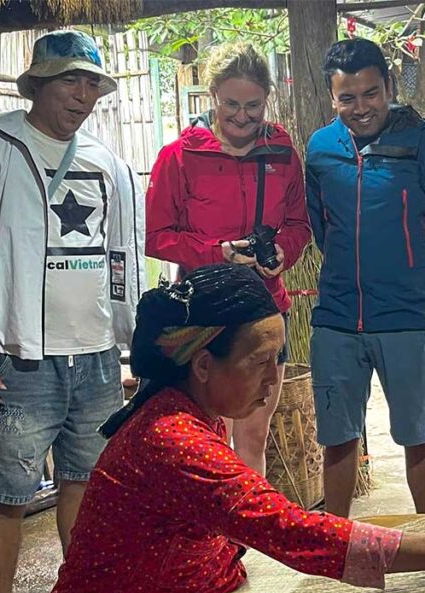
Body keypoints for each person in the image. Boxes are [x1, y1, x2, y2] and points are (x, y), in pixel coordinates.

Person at [41, 264, 425, 593]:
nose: (274, 377)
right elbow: (296, 532)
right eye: (259, 361)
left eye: (277, 358)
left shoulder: (188, 408)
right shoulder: (173, 441)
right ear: (202, 365)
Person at [0, 29, 145, 593]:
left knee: (86, 488)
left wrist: (134, 343)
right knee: (4, 495)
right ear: (37, 85)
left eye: (91, 83)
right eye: (68, 82)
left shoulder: (108, 165)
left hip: (94, 358)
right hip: (19, 358)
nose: (81, 96)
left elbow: (123, 261)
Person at [305, 38, 425, 518]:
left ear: (389, 88)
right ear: (332, 98)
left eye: (371, 94)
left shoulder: (422, 141)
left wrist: (415, 275)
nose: (361, 108)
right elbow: (321, 228)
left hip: (406, 318)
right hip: (335, 317)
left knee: (416, 435)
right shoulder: (319, 149)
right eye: (347, 98)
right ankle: (334, 541)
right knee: (337, 437)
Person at [146, 42, 311, 475]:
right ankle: (206, 541)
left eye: (253, 105)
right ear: (213, 95)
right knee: (202, 437)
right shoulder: (179, 157)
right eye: (231, 104)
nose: (242, 116)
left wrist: (282, 251)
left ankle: (242, 539)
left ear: (267, 99)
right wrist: (214, 253)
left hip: (265, 310)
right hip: (204, 315)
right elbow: (157, 237)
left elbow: (299, 225)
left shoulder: (283, 156)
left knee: (253, 436)